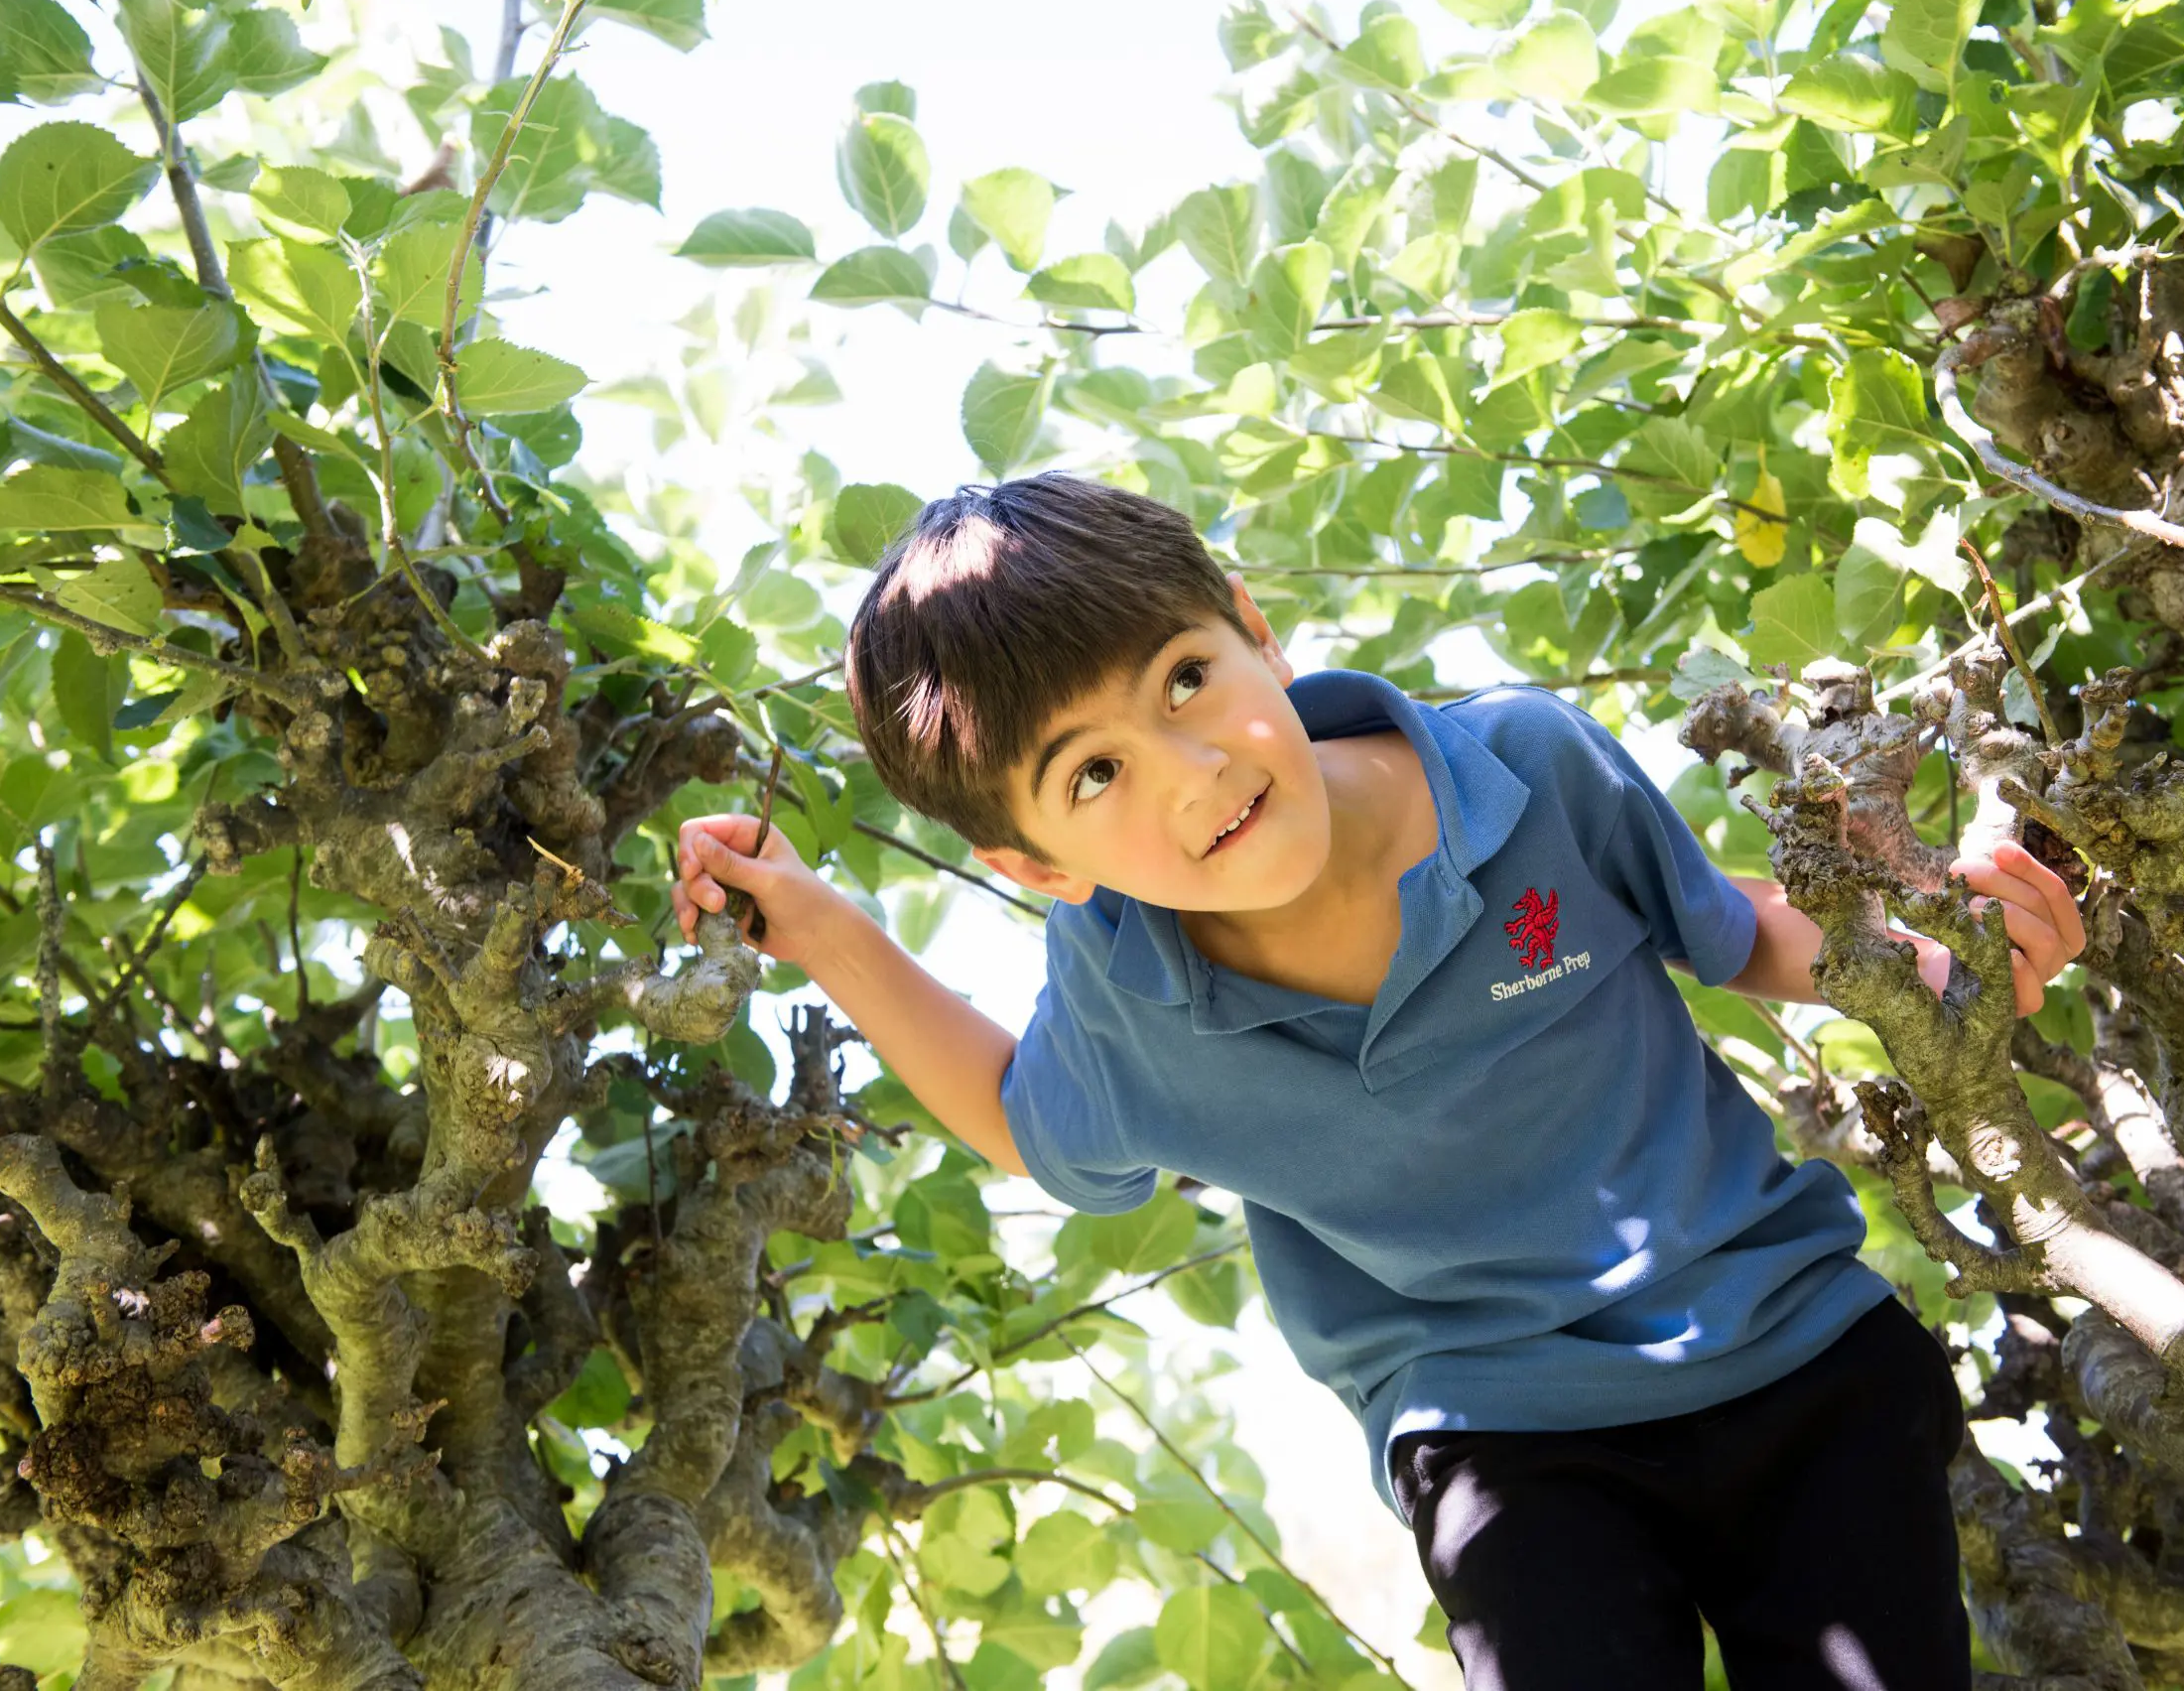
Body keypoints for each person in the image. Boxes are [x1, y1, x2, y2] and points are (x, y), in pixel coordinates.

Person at [670, 473, 2085, 1690]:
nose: (1190, 769)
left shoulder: (1523, 770)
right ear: (1037, 864)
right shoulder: (1130, 1003)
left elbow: (1737, 926)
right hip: (1501, 1435)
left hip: (1794, 1349)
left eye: (1184, 679)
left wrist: (1939, 943)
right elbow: (1026, 1124)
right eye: (1094, 772)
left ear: (1254, 629)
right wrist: (819, 928)